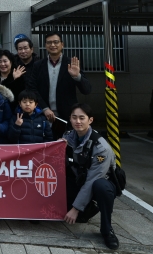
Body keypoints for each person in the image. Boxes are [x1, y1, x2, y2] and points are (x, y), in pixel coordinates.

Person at [63, 103, 119, 250]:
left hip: (100, 182)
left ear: (90, 120)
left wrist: (75, 209)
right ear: (70, 119)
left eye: (82, 118)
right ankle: (85, 210)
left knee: (101, 186)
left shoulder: (101, 147)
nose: (78, 121)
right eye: (74, 117)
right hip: (80, 179)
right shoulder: (68, 137)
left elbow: (92, 180)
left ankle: (107, 230)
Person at [29, 32, 91, 136]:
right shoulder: (38, 65)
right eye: (49, 42)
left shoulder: (71, 63)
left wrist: (77, 76)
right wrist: (44, 108)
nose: (52, 45)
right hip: (43, 115)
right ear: (45, 45)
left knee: (66, 145)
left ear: (62, 44)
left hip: (67, 116)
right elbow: (32, 88)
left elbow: (87, 90)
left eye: (56, 42)